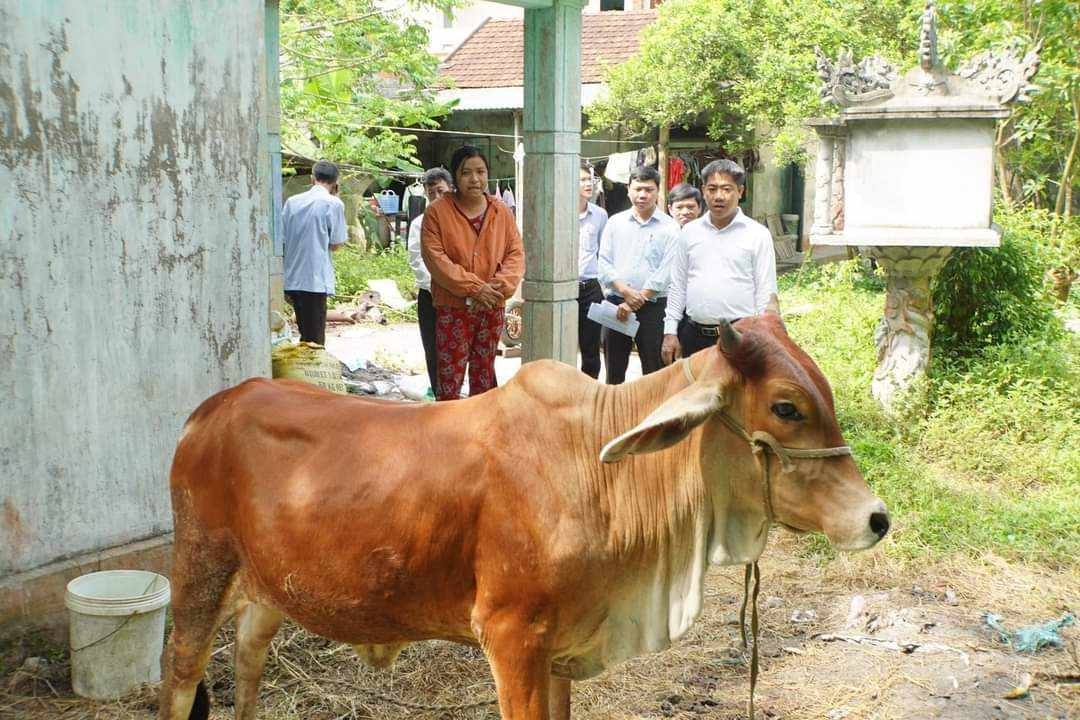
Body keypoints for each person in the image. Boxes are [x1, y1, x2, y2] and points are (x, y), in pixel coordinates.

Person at [421, 146, 524, 401]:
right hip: (452, 308)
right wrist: (475, 288)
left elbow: (515, 254)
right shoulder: (437, 212)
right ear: (455, 176)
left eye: (480, 171)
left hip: (491, 307)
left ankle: (481, 435)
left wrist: (496, 288)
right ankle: (447, 435)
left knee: (485, 375)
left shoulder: (501, 211)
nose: (475, 179)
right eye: (466, 172)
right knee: (449, 378)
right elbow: (436, 259)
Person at [661, 159, 777, 364]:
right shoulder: (689, 232)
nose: (719, 196)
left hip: (739, 335)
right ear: (703, 190)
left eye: (727, 189)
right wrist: (670, 332)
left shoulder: (757, 234)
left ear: (740, 192)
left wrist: (767, 335)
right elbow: (678, 286)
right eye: (712, 189)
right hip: (693, 336)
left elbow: (766, 291)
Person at [597, 165, 679, 384]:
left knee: (654, 372)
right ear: (628, 190)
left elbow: (667, 271)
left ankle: (653, 417)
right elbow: (604, 263)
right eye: (638, 189)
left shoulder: (671, 228)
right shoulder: (615, 223)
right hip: (617, 304)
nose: (642, 195)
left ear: (658, 191)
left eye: (649, 190)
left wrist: (636, 299)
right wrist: (624, 293)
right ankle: (614, 417)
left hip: (653, 308)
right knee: (613, 371)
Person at [282, 159, 347, 345]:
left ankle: (304, 371)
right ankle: (310, 373)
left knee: (305, 331)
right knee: (315, 340)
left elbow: (283, 240)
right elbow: (336, 244)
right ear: (335, 182)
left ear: (312, 179)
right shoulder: (333, 204)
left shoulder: (292, 202)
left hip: (292, 277)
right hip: (315, 280)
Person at [407, 167, 454, 397]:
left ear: (451, 190)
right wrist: (441, 286)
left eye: (441, 191)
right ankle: (440, 398)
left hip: (460, 296)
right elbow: (417, 262)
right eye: (431, 192)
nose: (436, 197)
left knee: (458, 350)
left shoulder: (461, 220)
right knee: (434, 350)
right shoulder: (419, 224)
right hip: (431, 296)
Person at [577, 162, 608, 379]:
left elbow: (604, 254)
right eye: (582, 180)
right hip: (563, 289)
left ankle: (588, 395)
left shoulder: (600, 215)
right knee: (563, 346)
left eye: (590, 179)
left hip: (591, 288)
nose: (588, 184)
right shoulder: (558, 212)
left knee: (591, 350)